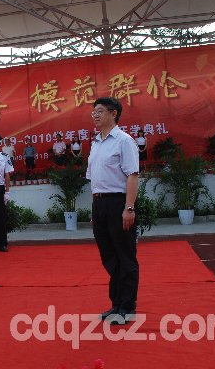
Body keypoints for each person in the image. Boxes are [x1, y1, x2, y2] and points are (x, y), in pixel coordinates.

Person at [86, 97, 139, 325]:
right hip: (100, 204)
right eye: (93, 112)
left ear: (113, 113)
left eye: (99, 111)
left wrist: (129, 207)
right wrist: (95, 209)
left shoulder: (124, 141)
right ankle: (116, 303)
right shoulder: (96, 143)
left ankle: (127, 306)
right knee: (108, 255)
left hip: (119, 203)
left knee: (124, 254)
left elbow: (132, 175)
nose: (95, 115)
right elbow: (94, 179)